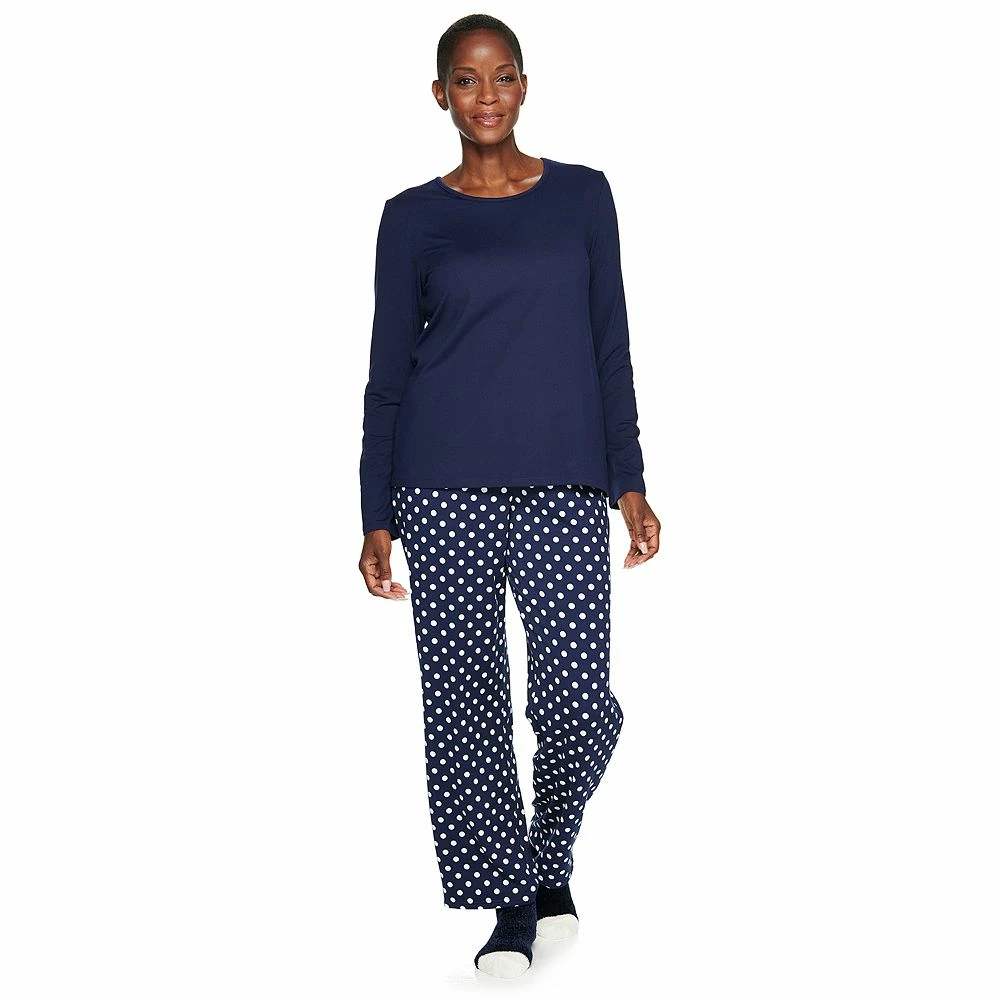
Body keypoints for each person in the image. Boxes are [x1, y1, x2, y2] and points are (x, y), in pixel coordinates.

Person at [357, 13, 661, 979]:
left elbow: (610, 345)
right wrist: (373, 512)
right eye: (465, 79)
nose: (485, 95)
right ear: (440, 95)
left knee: (577, 701)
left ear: (525, 86)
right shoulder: (411, 217)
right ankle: (512, 902)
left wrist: (629, 480)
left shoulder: (583, 196)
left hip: (565, 481)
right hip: (439, 483)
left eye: (502, 76)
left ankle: (545, 853)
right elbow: (388, 373)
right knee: (464, 702)